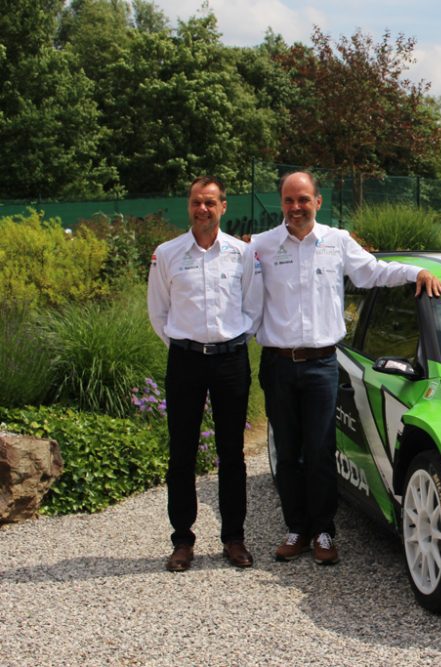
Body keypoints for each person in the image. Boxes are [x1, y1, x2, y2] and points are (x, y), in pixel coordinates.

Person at [252, 171, 441, 565]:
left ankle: (323, 532)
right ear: (281, 204)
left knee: (321, 452)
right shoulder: (262, 246)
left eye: (303, 199)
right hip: (278, 364)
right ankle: (296, 528)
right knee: (288, 453)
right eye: (289, 200)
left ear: (318, 202)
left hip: (323, 364)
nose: (296, 207)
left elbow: (373, 272)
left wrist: (416, 272)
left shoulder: (337, 241)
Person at [147, 176, 262, 572]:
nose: (203, 209)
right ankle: (182, 540)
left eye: (210, 203)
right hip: (185, 361)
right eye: (197, 202)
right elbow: (158, 313)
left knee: (232, 452)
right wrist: (186, 346)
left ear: (223, 207)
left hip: (230, 360)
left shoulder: (242, 254)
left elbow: (254, 306)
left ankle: (234, 537)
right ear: (189, 206)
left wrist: (230, 344)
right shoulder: (168, 254)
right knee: (181, 453)